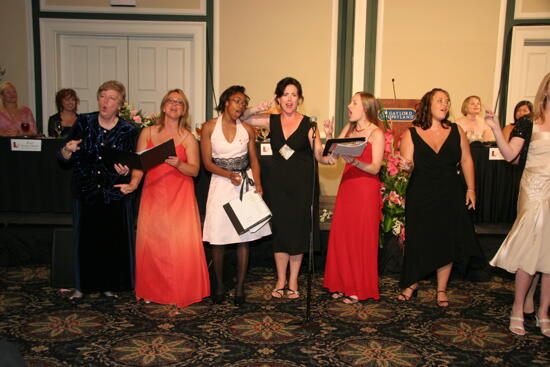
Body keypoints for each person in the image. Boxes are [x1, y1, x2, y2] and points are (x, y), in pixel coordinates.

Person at [116, 89, 210, 308]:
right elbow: (138, 166)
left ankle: (180, 291)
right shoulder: (147, 133)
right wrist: (132, 184)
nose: (174, 104)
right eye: (170, 100)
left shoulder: (187, 137)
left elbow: (195, 171)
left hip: (180, 197)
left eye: (179, 102)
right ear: (163, 105)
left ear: (184, 110)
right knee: (153, 244)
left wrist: (179, 164)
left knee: (179, 245)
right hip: (153, 194)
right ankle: (152, 291)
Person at [245, 77, 334, 299]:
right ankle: (280, 279)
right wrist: (258, 108)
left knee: (297, 235)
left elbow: (321, 157)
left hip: (302, 188)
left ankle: (293, 281)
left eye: (294, 95)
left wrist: (330, 136)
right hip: (277, 187)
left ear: (300, 99)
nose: (289, 99)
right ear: (278, 98)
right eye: (285, 94)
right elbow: (241, 116)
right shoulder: (270, 121)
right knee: (281, 234)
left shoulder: (309, 125)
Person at [397, 88, 484, 307]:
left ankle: (441, 289)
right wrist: (406, 167)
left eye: (447, 101)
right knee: (419, 239)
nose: (445, 104)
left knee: (447, 239)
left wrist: (471, 189)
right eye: (440, 100)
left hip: (450, 193)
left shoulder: (457, 130)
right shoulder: (411, 133)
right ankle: (412, 283)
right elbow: (407, 167)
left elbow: (466, 160)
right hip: (421, 193)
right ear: (428, 105)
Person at [57, 80, 137, 301]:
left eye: (111, 98)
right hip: (86, 192)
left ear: (120, 104)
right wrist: (67, 149)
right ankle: (81, 286)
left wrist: (125, 171)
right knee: (85, 242)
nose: (106, 101)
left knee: (110, 241)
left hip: (113, 194)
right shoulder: (84, 122)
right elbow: (61, 157)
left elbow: (133, 164)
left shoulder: (128, 130)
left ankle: (107, 286)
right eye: (103, 96)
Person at [485, 72, 550, 337]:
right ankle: (516, 307)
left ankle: (543, 311)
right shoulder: (528, 122)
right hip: (533, 189)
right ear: (546, 90)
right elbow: (511, 156)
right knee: (530, 244)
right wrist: (496, 128)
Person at [201, 85, 271, 306]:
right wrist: (227, 174)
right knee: (218, 239)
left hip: (244, 185)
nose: (240, 106)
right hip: (220, 183)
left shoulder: (248, 129)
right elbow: (206, 163)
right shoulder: (209, 127)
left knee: (244, 239)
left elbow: (254, 161)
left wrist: (258, 184)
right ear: (226, 102)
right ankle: (220, 285)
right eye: (236, 101)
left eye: (243, 102)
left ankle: (240, 287)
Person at [322, 92, 384, 304]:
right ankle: (340, 283)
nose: (349, 105)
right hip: (347, 187)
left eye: (354, 102)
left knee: (361, 238)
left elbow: (376, 168)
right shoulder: (348, 130)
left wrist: (355, 161)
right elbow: (330, 160)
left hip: (366, 189)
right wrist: (329, 136)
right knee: (343, 235)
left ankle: (359, 287)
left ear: (365, 108)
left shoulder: (376, 133)